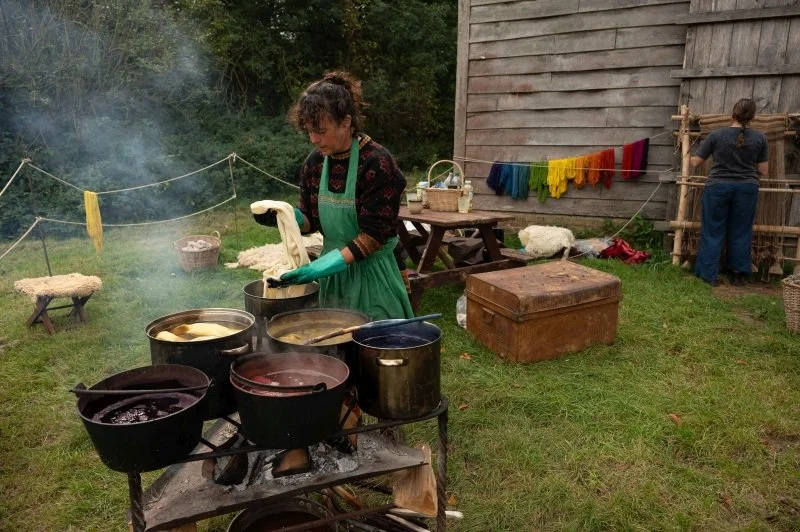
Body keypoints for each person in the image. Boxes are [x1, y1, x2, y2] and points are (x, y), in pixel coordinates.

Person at [253, 70, 413, 320]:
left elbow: (372, 237)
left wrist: (317, 268)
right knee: (334, 349)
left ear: (346, 121)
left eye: (321, 130)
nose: (314, 139)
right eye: (309, 131)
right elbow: (310, 219)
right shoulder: (315, 163)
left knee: (374, 350)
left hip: (373, 277)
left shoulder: (377, 163)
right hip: (334, 279)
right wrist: (284, 217)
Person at [690, 98, 769, 286]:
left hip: (718, 187)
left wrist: (689, 155)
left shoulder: (716, 135)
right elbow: (763, 171)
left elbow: (696, 162)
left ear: (732, 114)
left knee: (713, 230)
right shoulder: (760, 138)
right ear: (753, 117)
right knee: (741, 231)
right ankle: (738, 274)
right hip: (747, 189)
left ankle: (708, 275)